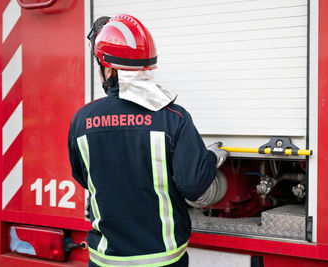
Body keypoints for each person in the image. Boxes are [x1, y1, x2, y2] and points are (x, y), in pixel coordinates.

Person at [68, 14, 229, 267]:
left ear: (108, 68)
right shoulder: (174, 118)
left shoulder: (82, 120)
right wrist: (210, 156)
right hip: (162, 261)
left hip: (105, 260)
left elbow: (83, 177)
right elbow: (193, 185)